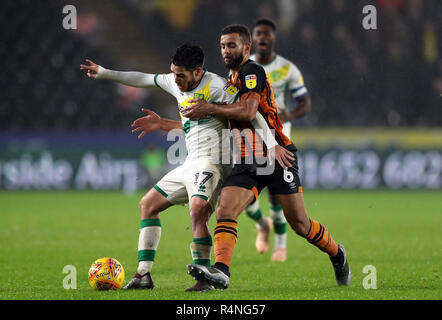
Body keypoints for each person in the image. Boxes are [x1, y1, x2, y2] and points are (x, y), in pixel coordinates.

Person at [80, 43, 290, 292]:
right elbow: (142, 79)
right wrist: (104, 73)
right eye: (173, 73)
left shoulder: (218, 86)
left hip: (214, 163)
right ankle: (143, 275)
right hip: (190, 163)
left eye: (181, 75)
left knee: (197, 211)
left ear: (198, 72)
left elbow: (251, 113)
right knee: (148, 205)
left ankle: (204, 281)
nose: (176, 80)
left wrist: (271, 144)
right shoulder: (174, 81)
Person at [183, 24, 351, 290]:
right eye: (223, 46)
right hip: (247, 161)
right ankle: (221, 272)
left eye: (232, 45)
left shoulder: (252, 72)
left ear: (246, 48)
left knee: (300, 224)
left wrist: (210, 107)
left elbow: (250, 111)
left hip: (276, 155)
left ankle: (337, 254)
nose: (226, 50)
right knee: (226, 210)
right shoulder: (230, 78)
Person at [245, 18, 312, 262]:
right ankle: (263, 224)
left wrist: (290, 114)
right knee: (242, 195)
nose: (262, 38)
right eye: (258, 34)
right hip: (250, 136)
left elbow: (305, 103)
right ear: (253, 38)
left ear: (274, 38)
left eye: (267, 34)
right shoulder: (244, 65)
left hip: (279, 138)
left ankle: (280, 247)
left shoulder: (288, 69)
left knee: (277, 192)